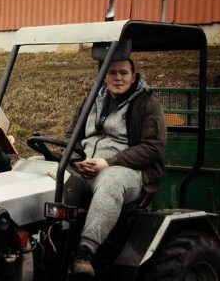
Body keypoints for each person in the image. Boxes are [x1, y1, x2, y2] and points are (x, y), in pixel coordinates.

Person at [64, 58, 166, 277]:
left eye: (123, 73)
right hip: (84, 166)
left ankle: (84, 253)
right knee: (40, 169)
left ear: (134, 76)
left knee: (112, 181)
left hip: (128, 171)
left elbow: (153, 147)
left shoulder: (147, 103)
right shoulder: (91, 99)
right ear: (103, 76)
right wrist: (75, 160)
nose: (118, 78)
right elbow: (71, 135)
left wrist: (109, 162)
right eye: (112, 73)